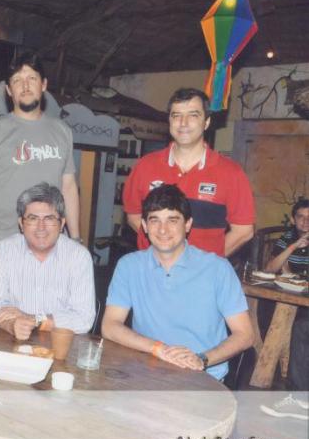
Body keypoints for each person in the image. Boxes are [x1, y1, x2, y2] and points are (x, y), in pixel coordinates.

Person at [102, 184, 254, 381]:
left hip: (202, 377)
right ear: (145, 226)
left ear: (188, 225)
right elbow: (110, 326)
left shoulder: (218, 268)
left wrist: (201, 359)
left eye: (172, 220)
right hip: (145, 372)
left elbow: (244, 334)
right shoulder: (129, 266)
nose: (163, 230)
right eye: (155, 220)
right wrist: (158, 348)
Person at [123, 87, 255, 258]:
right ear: (169, 121)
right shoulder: (144, 166)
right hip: (152, 269)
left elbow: (244, 231)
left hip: (202, 274)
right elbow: (133, 216)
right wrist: (162, 249)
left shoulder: (231, 173)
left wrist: (204, 264)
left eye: (193, 115)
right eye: (176, 115)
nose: (183, 123)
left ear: (206, 122)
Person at [0, 51, 81, 249]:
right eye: (17, 80)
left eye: (32, 78)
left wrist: (75, 239)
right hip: (1, 242)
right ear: (8, 90)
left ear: (43, 84)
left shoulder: (63, 131)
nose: (25, 85)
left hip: (51, 242)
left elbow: (69, 187)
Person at [0, 183, 95, 339]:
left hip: (61, 344)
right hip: (13, 341)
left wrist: (35, 320)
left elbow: (84, 319)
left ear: (62, 224)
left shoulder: (78, 257)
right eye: (33, 218)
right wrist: (12, 325)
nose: (41, 227)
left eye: (49, 218)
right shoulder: (5, 250)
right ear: (21, 224)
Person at [264, 198, 308, 391]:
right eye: (301, 217)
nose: (305, 221)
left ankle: (298, 389)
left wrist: (289, 272)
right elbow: (270, 268)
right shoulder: (287, 238)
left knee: (301, 326)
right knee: (266, 311)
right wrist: (293, 246)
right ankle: (274, 372)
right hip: (291, 296)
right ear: (293, 219)